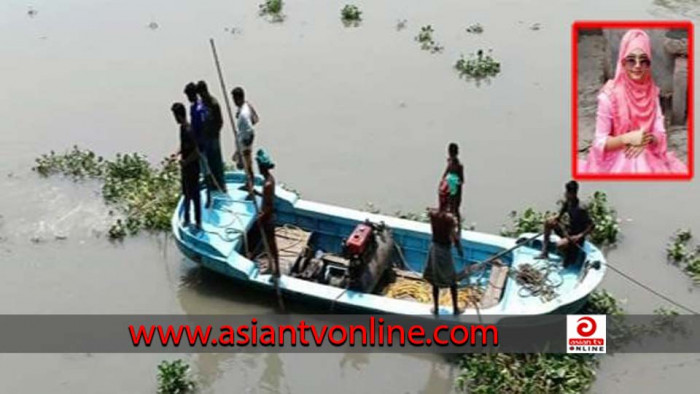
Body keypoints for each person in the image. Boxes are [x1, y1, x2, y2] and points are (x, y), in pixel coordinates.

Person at [579, 29, 687, 174]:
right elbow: (599, 141)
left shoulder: (652, 92)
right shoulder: (609, 96)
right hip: (617, 154)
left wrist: (644, 140)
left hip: (646, 151)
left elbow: (660, 132)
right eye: (631, 60)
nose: (637, 65)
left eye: (643, 61)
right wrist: (626, 139)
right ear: (622, 62)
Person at [423, 183, 463, 316]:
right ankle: (456, 309)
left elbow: (434, 209)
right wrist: (459, 249)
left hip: (434, 248)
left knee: (435, 281)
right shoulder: (450, 219)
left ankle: (436, 308)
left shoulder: (433, 213)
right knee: (452, 281)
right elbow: (455, 238)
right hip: (445, 251)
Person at [536, 181, 594, 266]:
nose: (565, 194)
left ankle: (567, 258)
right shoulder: (568, 202)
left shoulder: (581, 208)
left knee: (560, 245)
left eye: (567, 192)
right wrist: (555, 218)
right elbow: (559, 216)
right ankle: (544, 252)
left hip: (576, 238)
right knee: (548, 222)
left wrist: (579, 236)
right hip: (567, 232)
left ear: (572, 194)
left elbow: (592, 226)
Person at [171, 102, 201, 230]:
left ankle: (198, 221)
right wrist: (176, 153)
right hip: (185, 168)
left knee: (195, 195)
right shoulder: (182, 128)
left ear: (179, 115)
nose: (174, 118)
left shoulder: (190, 130)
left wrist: (186, 161)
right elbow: (183, 145)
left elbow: (197, 152)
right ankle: (187, 218)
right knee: (186, 193)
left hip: (192, 167)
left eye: (175, 116)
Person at [196, 81, 227, 196]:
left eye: (201, 93)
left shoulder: (214, 103)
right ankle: (210, 181)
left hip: (213, 137)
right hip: (205, 137)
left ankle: (221, 184)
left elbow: (220, 122)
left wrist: (214, 133)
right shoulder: (201, 103)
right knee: (208, 161)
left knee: (216, 161)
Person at [184, 82, 211, 207]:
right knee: (199, 169)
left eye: (189, 95)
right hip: (195, 142)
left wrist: (201, 143)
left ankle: (210, 196)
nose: (188, 98)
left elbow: (205, 126)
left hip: (202, 143)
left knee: (206, 171)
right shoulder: (192, 107)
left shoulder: (200, 108)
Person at [256, 148, 279, 277]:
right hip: (267, 216)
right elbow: (266, 198)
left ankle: (275, 271)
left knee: (271, 245)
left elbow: (268, 206)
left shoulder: (268, 184)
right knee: (269, 245)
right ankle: (272, 267)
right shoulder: (269, 179)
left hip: (268, 218)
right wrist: (256, 193)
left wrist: (261, 217)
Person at [232, 86, 259, 192]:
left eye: (234, 99)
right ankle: (248, 183)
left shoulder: (243, 114)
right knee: (245, 165)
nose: (233, 102)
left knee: (247, 166)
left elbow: (250, 129)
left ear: (238, 98)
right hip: (243, 139)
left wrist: (247, 145)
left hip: (245, 141)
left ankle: (250, 185)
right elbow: (255, 119)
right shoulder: (246, 106)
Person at [441, 142, 464, 235]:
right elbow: (445, 175)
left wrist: (453, 183)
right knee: (449, 208)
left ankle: (457, 229)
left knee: (454, 209)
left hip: (454, 189)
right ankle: (451, 228)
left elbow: (461, 180)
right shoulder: (450, 162)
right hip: (450, 188)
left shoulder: (458, 165)